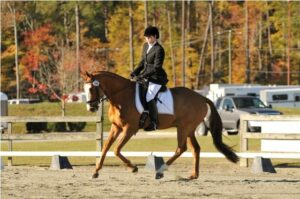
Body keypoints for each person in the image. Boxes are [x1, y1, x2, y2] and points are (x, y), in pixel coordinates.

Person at [130, 26, 168, 131]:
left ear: (155, 36)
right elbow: (143, 62)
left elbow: (157, 67)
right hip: (145, 75)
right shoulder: (145, 46)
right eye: (146, 37)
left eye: (148, 37)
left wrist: (143, 75)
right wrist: (135, 72)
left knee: (149, 96)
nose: (146, 39)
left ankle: (154, 122)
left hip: (157, 77)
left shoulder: (159, 49)